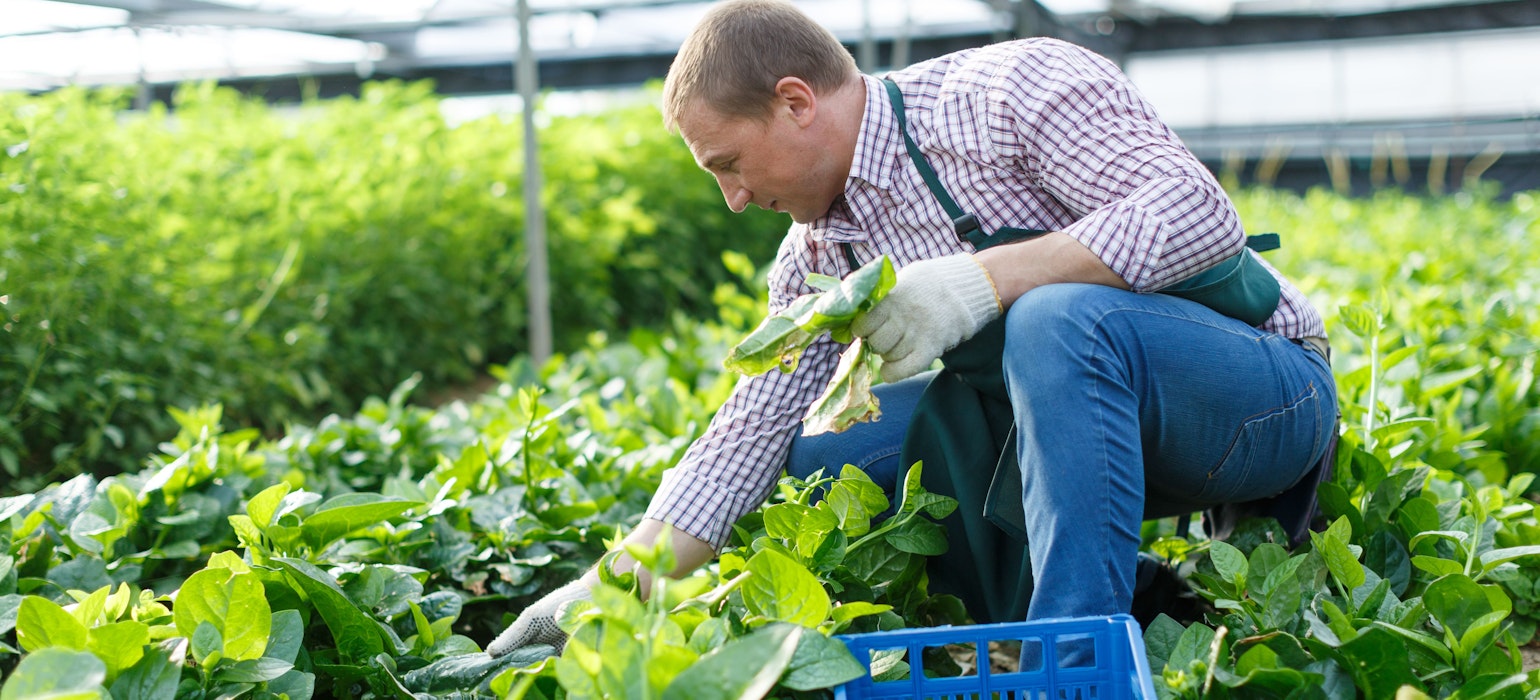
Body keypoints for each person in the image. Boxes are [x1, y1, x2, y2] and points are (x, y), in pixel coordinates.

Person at [489, 0, 1336, 657]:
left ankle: (1069, 651)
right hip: (1077, 437)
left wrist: (979, 284)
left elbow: (1196, 215)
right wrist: (608, 588)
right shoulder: (819, 252)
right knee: (820, 458)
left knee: (1055, 319)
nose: (734, 199)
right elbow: (745, 435)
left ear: (794, 102)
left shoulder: (1013, 90)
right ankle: (1152, 596)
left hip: (1258, 402)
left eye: (730, 164)